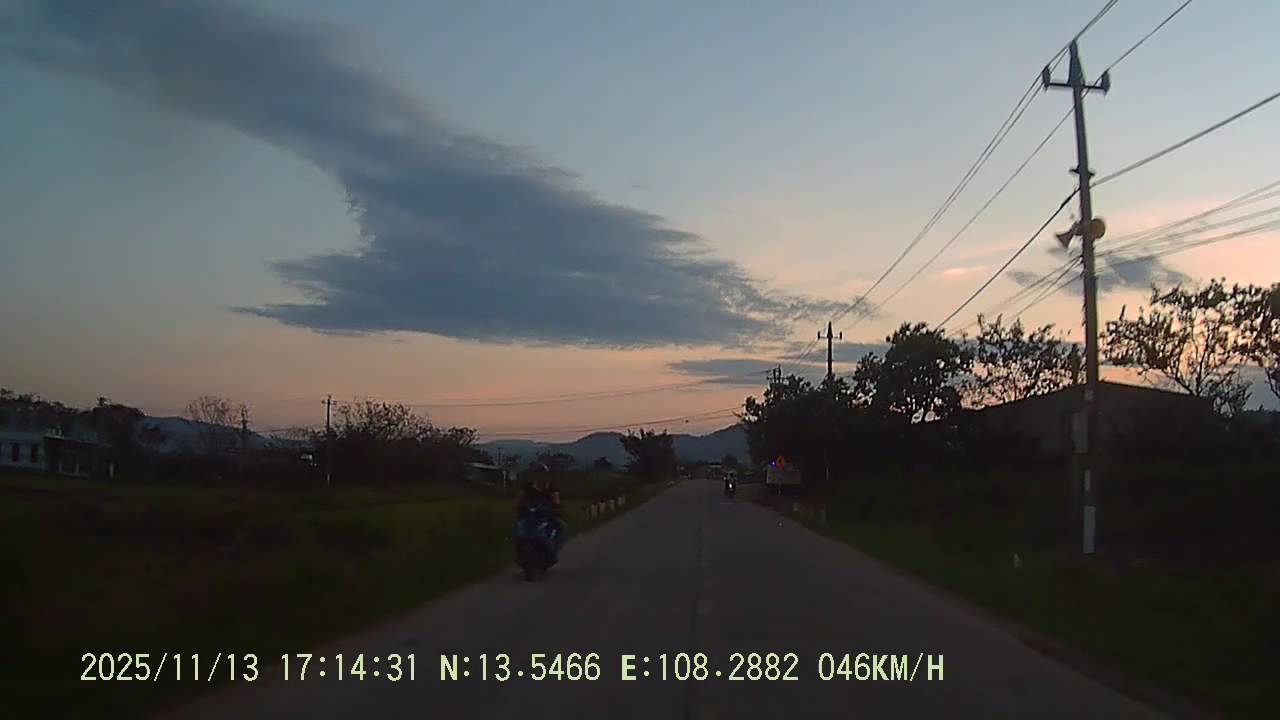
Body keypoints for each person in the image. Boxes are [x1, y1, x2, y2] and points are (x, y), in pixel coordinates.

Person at [516, 463, 567, 556]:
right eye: (538, 473)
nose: (541, 476)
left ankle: (554, 551)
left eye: (543, 474)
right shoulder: (528, 486)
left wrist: (556, 506)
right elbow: (520, 498)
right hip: (529, 514)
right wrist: (519, 506)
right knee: (518, 527)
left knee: (561, 526)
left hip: (547, 514)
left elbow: (556, 499)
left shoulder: (551, 487)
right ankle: (519, 552)